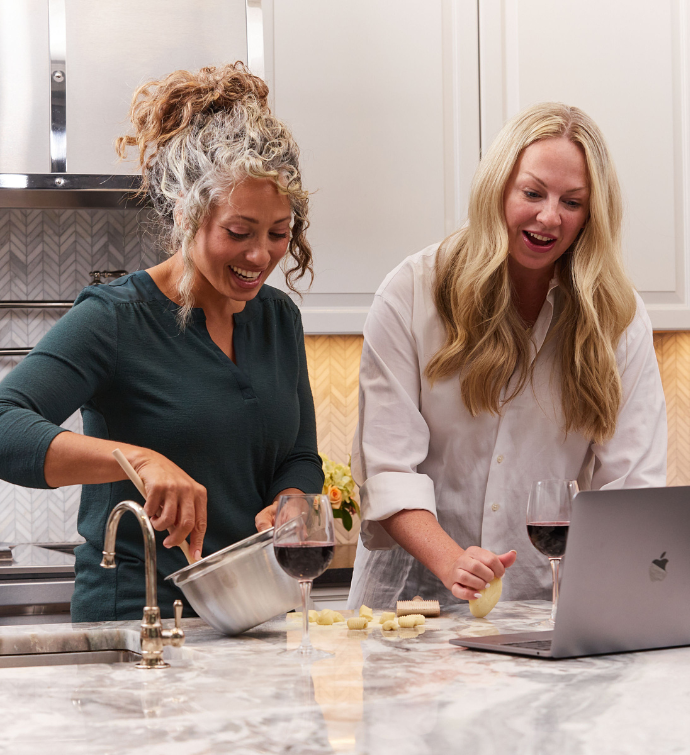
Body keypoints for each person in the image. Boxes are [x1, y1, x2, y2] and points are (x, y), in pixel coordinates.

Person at [0, 63, 324, 621]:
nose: (260, 256)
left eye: (278, 233)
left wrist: (293, 502)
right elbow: (5, 424)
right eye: (238, 232)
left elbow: (298, 455)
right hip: (138, 621)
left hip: (252, 617)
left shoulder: (277, 319)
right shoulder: (117, 318)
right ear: (185, 214)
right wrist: (138, 460)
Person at [347, 102, 667, 610]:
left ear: (592, 214)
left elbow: (629, 493)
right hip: (412, 608)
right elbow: (389, 470)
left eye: (572, 202)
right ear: (499, 186)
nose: (548, 217)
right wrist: (453, 562)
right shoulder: (412, 293)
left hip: (541, 604)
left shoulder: (618, 319)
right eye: (533, 192)